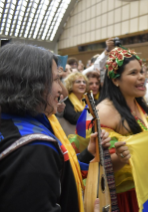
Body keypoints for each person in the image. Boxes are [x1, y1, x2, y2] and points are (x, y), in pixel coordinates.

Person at [0, 43, 110, 212]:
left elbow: (57, 174)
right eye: (56, 79)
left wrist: (87, 153)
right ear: (33, 84)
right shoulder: (33, 148)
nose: (61, 89)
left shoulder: (13, 122)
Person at [96, 47, 148, 212]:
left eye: (142, 72)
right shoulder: (105, 112)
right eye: (133, 73)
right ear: (115, 80)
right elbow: (100, 164)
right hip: (127, 196)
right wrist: (121, 158)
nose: (141, 77)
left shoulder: (140, 104)